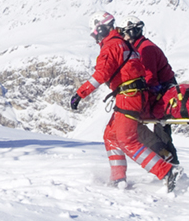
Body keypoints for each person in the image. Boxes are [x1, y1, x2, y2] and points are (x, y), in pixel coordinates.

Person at [70, 12, 180, 191]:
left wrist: (79, 94)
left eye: (96, 33)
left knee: (126, 140)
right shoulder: (122, 43)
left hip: (129, 96)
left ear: (101, 28)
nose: (96, 38)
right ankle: (118, 178)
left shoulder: (112, 45)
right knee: (110, 136)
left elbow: (101, 74)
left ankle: (166, 171)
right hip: (131, 95)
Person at [117, 17, 179, 165]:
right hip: (161, 92)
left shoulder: (145, 50)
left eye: (124, 34)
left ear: (132, 32)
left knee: (132, 122)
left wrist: (142, 101)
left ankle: (166, 157)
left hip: (162, 94)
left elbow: (150, 78)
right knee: (161, 129)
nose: (123, 38)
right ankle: (168, 159)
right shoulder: (140, 48)